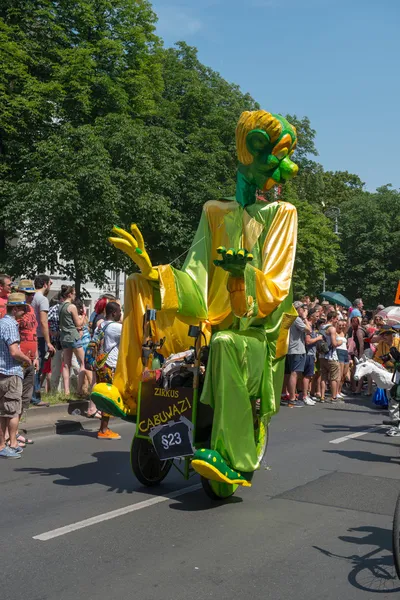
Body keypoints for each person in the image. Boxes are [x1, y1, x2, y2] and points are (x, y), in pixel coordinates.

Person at [93, 108, 300, 486]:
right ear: (249, 150)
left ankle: (230, 454)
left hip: (255, 333)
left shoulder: (283, 213)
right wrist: (152, 271)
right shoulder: (214, 210)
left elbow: (277, 286)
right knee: (141, 284)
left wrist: (241, 278)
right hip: (208, 319)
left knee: (224, 342)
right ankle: (128, 394)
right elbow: (196, 274)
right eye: (278, 152)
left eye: (286, 154)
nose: (288, 166)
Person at [0, 293, 32, 458]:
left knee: (3, 411)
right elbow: (14, 352)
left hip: (1, 372)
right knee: (12, 412)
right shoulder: (11, 325)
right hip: (11, 372)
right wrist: (27, 359)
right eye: (23, 309)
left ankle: (3, 444)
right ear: (16, 308)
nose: (25, 312)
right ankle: (10, 444)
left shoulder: (1, 322)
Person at [15, 280, 40, 443]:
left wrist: (36, 356)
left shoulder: (30, 309)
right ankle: (9, 434)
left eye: (32, 294)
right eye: (28, 294)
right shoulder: (14, 312)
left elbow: (34, 333)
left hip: (30, 359)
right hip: (17, 359)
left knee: (25, 397)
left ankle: (14, 431)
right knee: (13, 397)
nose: (31, 297)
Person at [94, 301, 123, 439]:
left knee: (102, 395)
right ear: (114, 313)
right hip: (109, 366)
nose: (121, 314)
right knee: (108, 397)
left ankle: (103, 427)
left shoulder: (101, 325)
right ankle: (103, 430)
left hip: (100, 364)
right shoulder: (116, 327)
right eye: (119, 311)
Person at [31, 274, 55, 405]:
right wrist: (48, 342)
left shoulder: (30, 296)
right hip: (39, 336)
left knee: (29, 366)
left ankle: (29, 395)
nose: (50, 286)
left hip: (29, 335)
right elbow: (44, 322)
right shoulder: (43, 299)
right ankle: (35, 397)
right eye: (50, 283)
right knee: (37, 367)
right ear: (45, 284)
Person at [58, 285, 85, 397]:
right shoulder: (72, 307)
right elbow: (78, 323)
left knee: (66, 365)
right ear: (69, 294)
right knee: (84, 363)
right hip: (73, 336)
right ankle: (79, 390)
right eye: (73, 293)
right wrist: (83, 315)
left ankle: (66, 391)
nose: (74, 295)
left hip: (64, 337)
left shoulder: (60, 306)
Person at [284, 301, 311, 407]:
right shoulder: (296, 319)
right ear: (298, 309)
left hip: (291, 348)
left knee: (293, 373)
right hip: (297, 349)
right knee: (294, 373)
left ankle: (291, 396)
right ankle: (292, 399)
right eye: (302, 309)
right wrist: (305, 318)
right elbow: (309, 330)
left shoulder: (288, 317)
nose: (303, 311)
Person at [303, 307, 323, 405]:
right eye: (316, 316)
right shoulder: (309, 326)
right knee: (307, 376)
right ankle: (305, 396)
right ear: (311, 316)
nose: (318, 317)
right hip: (308, 353)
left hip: (312, 353)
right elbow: (308, 341)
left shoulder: (313, 326)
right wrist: (318, 338)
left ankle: (307, 395)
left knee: (310, 376)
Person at [319, 310, 340, 403]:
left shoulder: (321, 327)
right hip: (331, 356)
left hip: (322, 355)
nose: (337, 321)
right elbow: (334, 343)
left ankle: (322, 396)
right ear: (332, 318)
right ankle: (333, 396)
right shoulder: (332, 329)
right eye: (336, 319)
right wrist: (341, 342)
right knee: (334, 377)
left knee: (323, 376)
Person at [336, 319, 350, 399]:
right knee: (340, 374)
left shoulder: (343, 333)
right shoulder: (335, 333)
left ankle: (339, 391)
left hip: (345, 353)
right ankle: (336, 391)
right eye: (339, 325)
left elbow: (348, 325)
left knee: (344, 374)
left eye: (342, 325)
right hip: (339, 352)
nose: (341, 327)